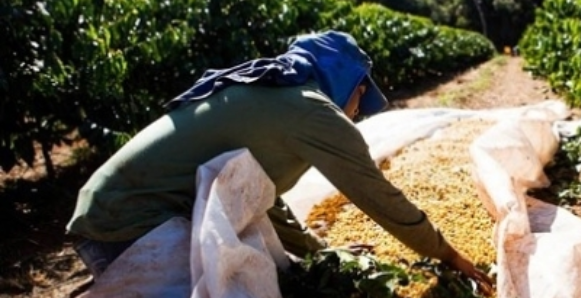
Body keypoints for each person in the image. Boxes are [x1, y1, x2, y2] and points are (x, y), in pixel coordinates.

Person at [66, 30, 493, 293]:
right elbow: (377, 196)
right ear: (345, 80)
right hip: (130, 224)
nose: (360, 110)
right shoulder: (311, 110)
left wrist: (319, 253)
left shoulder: (275, 95)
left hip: (107, 213)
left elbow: (258, 194)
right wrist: (448, 255)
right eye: (362, 93)